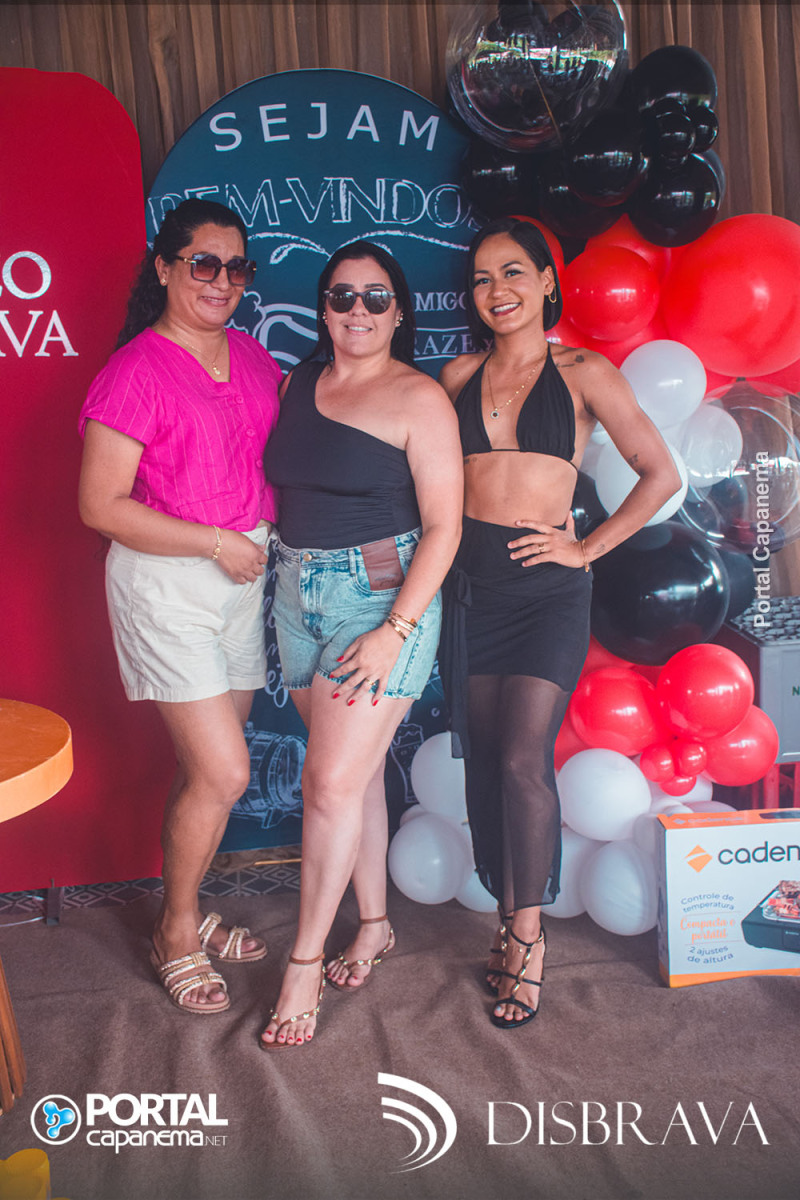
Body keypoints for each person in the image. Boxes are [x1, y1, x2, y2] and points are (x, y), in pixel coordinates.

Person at [439, 217, 681, 1030]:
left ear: (547, 282)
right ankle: (507, 919)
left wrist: (586, 548)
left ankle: (529, 936)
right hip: (471, 589)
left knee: (521, 757)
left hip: (546, 592)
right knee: (484, 763)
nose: (496, 290)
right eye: (481, 278)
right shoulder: (457, 376)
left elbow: (660, 473)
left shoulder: (582, 371)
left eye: (512, 272)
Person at [78, 199, 282, 1014]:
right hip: (170, 583)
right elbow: (100, 504)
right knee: (226, 770)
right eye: (203, 263)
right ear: (164, 268)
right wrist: (213, 542)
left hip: (242, 578)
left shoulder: (251, 355)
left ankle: (186, 910)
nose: (221, 281)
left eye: (236, 268)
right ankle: (174, 932)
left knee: (207, 772)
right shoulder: (134, 371)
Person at [259, 240, 463, 1049]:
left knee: (327, 787)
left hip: (379, 596)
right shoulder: (297, 382)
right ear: (323, 307)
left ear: (399, 310)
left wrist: (393, 632)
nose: (358, 311)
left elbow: (444, 528)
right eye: (342, 296)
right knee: (356, 778)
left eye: (376, 298)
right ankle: (374, 923)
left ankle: (303, 961)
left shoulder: (419, 398)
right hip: (293, 593)